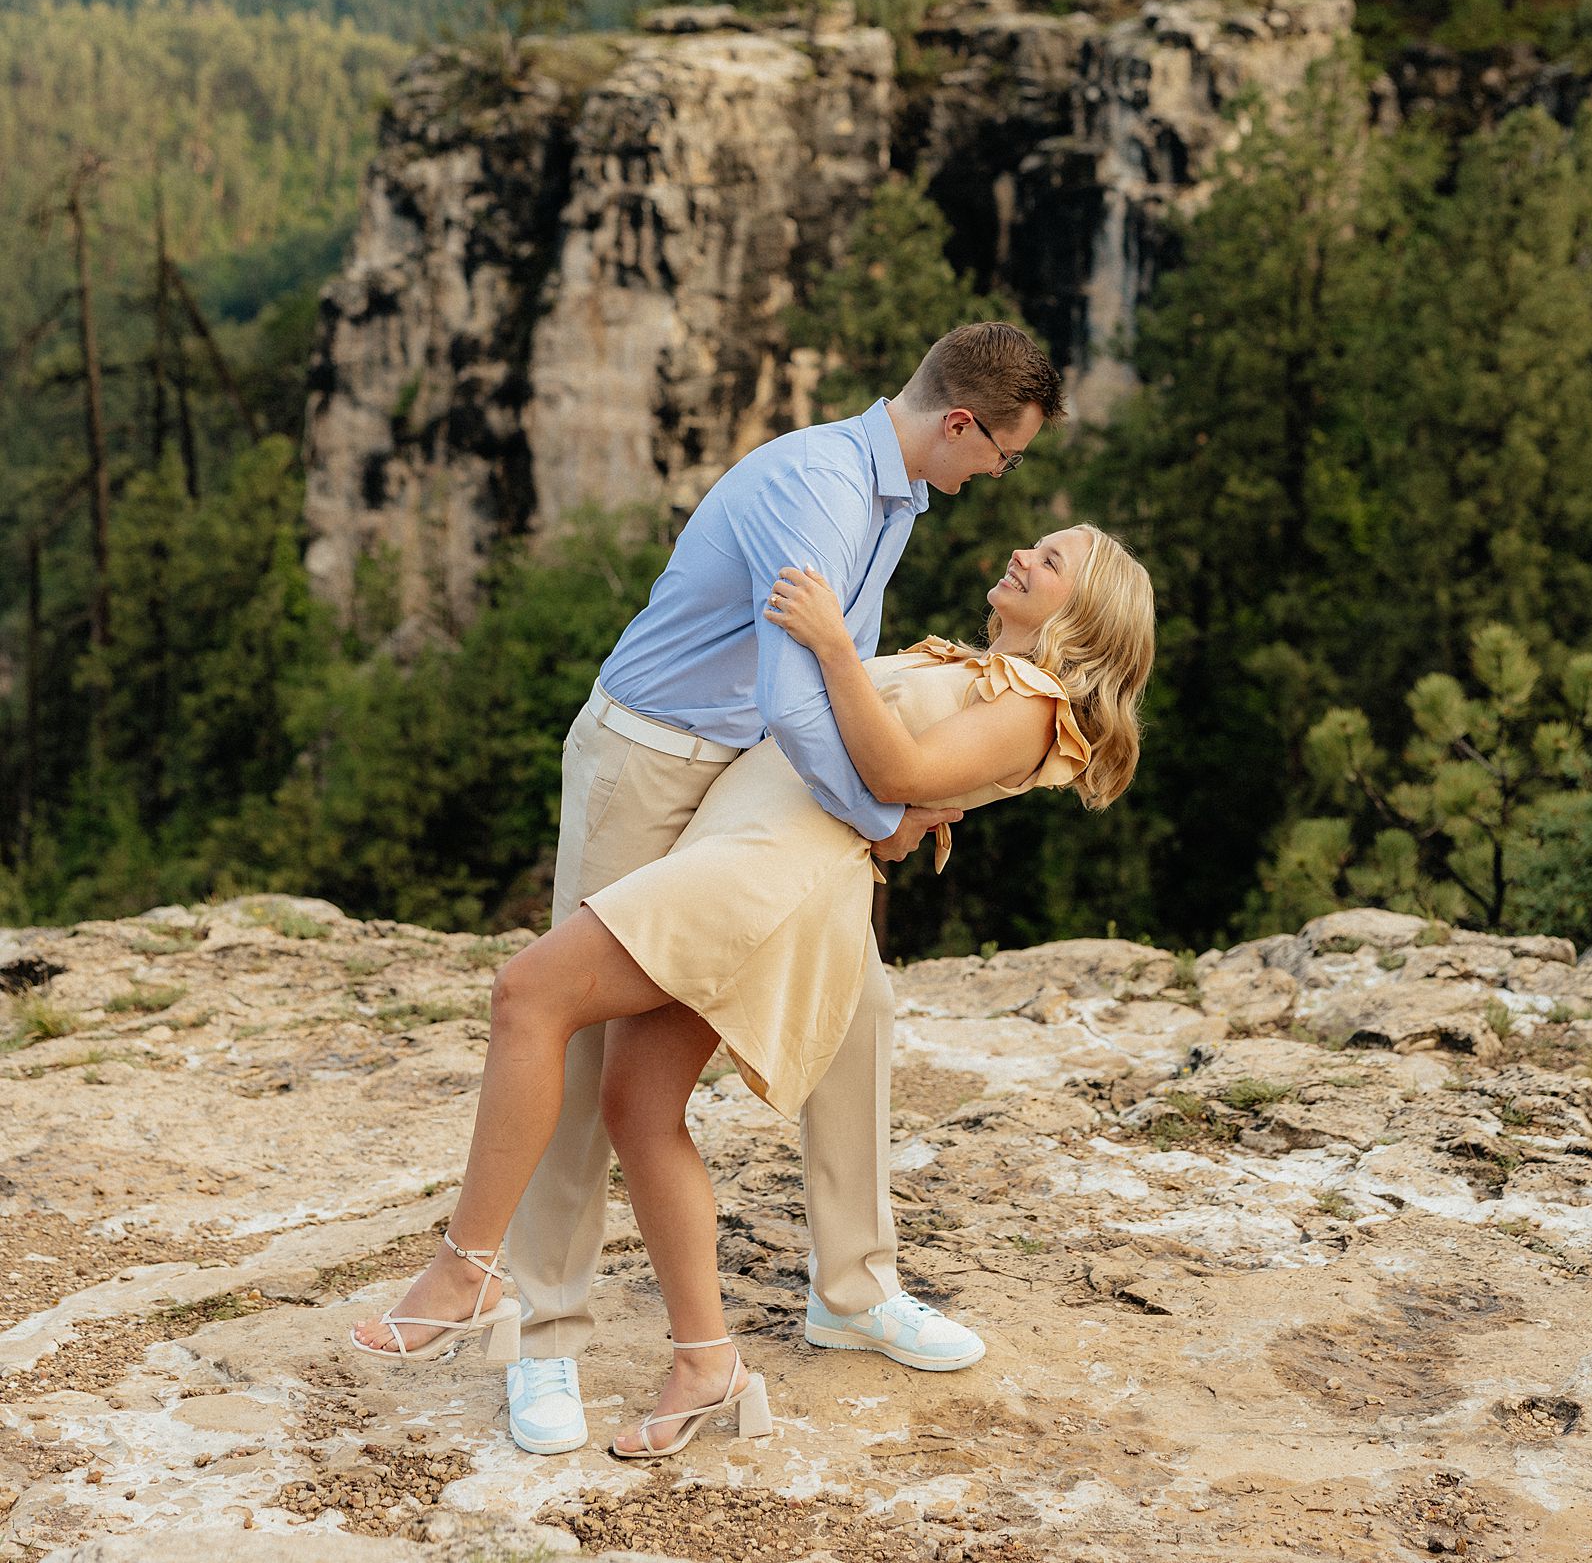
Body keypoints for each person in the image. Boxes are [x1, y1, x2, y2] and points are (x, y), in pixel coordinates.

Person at [351, 440, 1155, 1463]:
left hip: (765, 875)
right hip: (738, 845)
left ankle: (467, 1269)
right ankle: (706, 1362)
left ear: (1084, 613)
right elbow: (904, 776)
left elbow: (895, 759)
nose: (1022, 552)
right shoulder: (981, 671)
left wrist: (829, 647)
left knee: (529, 993)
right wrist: (909, 802)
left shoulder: (1035, 706)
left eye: (1049, 558)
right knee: (637, 1104)